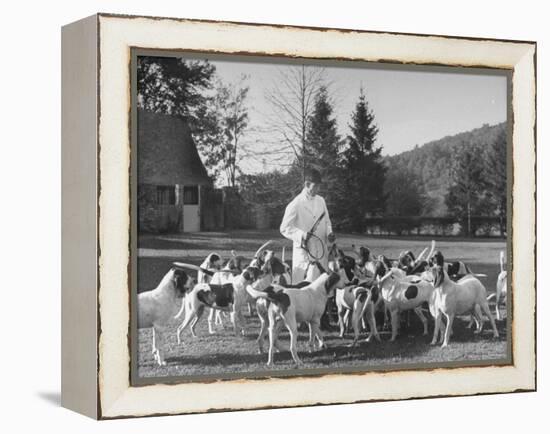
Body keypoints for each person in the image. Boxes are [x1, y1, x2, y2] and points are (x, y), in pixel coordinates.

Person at [280, 168, 336, 284]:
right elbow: (284, 228)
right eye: (315, 186)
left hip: (320, 252)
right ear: (307, 184)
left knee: (321, 289)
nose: (318, 189)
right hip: (304, 253)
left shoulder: (321, 201)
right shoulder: (295, 204)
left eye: (319, 186)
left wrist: (329, 233)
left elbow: (327, 221)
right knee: (302, 289)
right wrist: (302, 235)